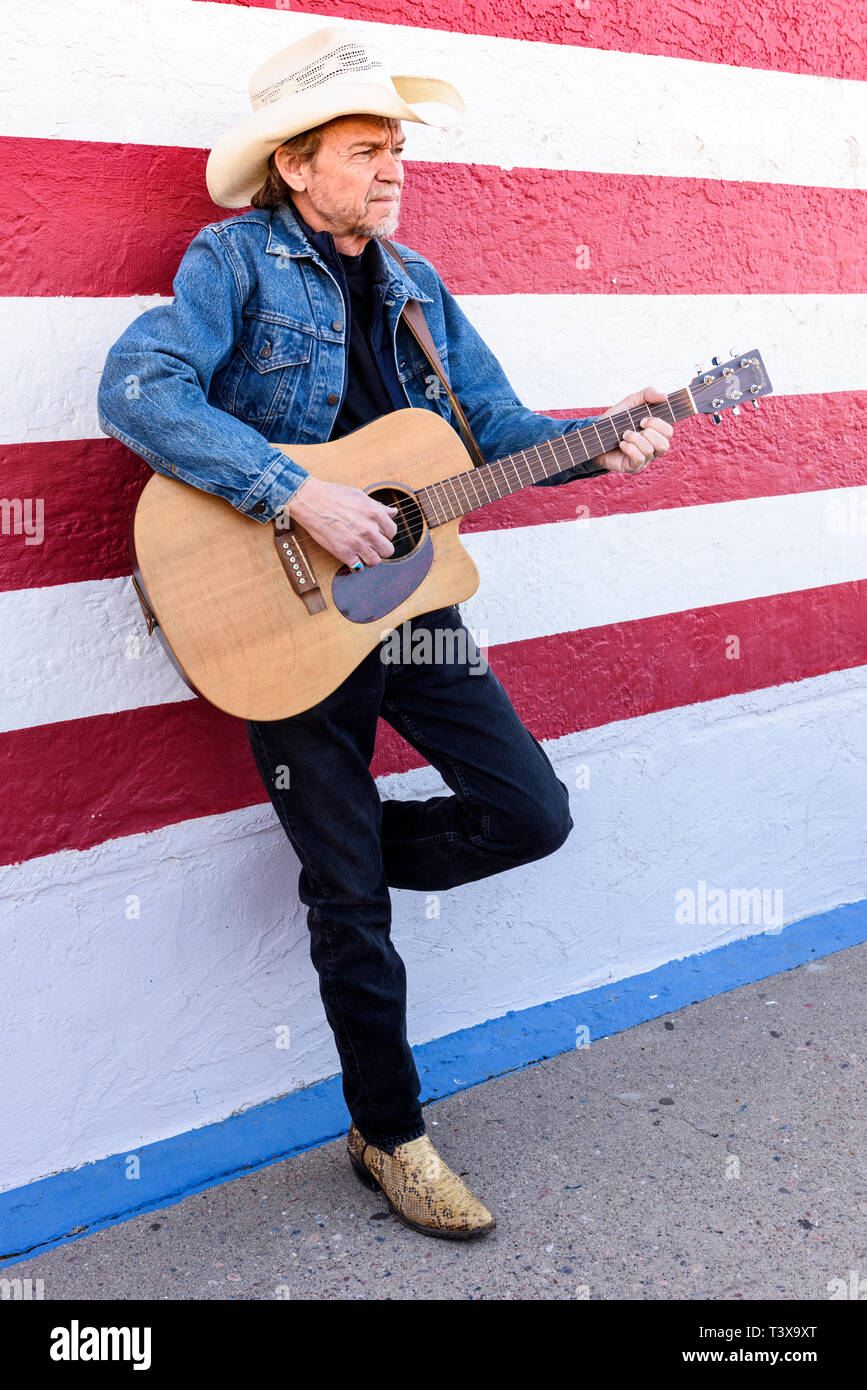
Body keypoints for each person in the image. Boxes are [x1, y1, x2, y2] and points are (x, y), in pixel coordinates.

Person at [97, 26, 674, 1240]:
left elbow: (501, 429)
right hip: (280, 618)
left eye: (396, 146)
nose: (392, 165)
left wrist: (600, 438)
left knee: (530, 811)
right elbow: (137, 390)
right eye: (367, 147)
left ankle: (345, 854)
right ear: (296, 165)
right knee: (351, 905)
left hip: (407, 612)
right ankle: (390, 1131)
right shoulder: (234, 261)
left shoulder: (415, 286)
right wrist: (293, 491)